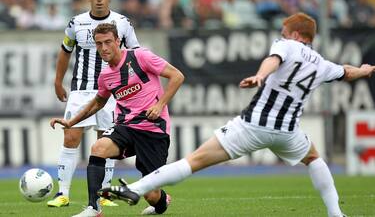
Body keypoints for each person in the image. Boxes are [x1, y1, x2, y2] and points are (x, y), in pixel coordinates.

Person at [99, 13, 375, 217]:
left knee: (193, 161)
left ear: (295, 34)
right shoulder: (324, 65)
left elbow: (274, 59)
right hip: (288, 131)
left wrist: (260, 75)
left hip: (253, 125)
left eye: (284, 30)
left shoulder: (288, 45)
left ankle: (134, 188)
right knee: (314, 158)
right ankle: (336, 214)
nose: (282, 34)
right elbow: (346, 72)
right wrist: (365, 70)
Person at [50, 23, 184, 217]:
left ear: (118, 42)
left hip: (153, 129)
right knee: (98, 148)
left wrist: (160, 105)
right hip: (126, 126)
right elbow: (98, 103)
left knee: (151, 195)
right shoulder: (105, 76)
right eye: (99, 44)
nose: (103, 48)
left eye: (108, 42)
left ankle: (162, 201)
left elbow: (177, 76)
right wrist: (71, 122)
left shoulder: (140, 57)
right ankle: (94, 208)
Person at [48, 0, 140, 209]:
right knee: (70, 137)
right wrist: (58, 81)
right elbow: (65, 51)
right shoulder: (76, 23)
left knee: (106, 141)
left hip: (112, 91)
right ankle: (63, 193)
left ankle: (104, 195)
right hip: (81, 89)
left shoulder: (123, 23)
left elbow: (136, 55)